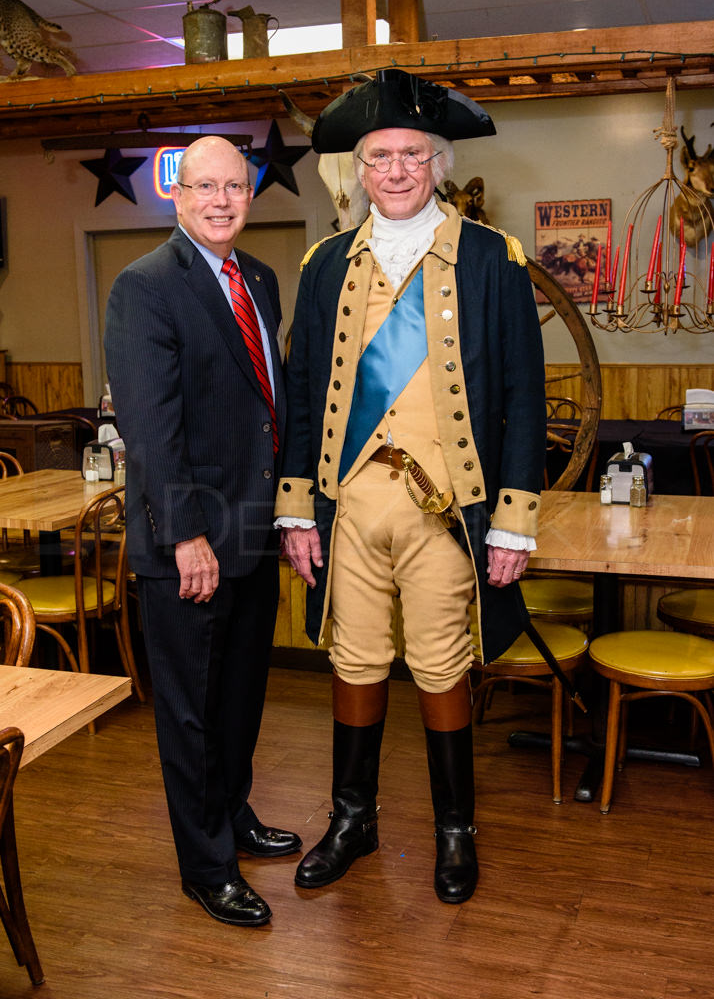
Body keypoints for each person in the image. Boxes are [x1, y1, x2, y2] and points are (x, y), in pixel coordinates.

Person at [275, 70, 546, 905]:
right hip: (349, 506)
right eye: (379, 156)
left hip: (447, 509)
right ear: (360, 170)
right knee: (352, 661)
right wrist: (295, 508)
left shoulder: (491, 257)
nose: (394, 170)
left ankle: (455, 829)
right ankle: (353, 821)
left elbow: (523, 395)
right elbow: (302, 383)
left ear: (437, 163)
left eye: (411, 155)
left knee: (440, 667)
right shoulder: (326, 264)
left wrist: (513, 522)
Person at [104, 135, 301, 928]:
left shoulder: (258, 278)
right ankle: (206, 865)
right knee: (189, 714)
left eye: (235, 188)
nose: (222, 201)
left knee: (241, 698)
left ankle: (234, 813)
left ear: (249, 196)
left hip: (251, 532)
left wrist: (284, 514)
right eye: (204, 188)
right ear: (176, 196)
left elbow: (265, 410)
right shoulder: (143, 286)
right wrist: (186, 536)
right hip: (187, 543)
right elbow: (152, 430)